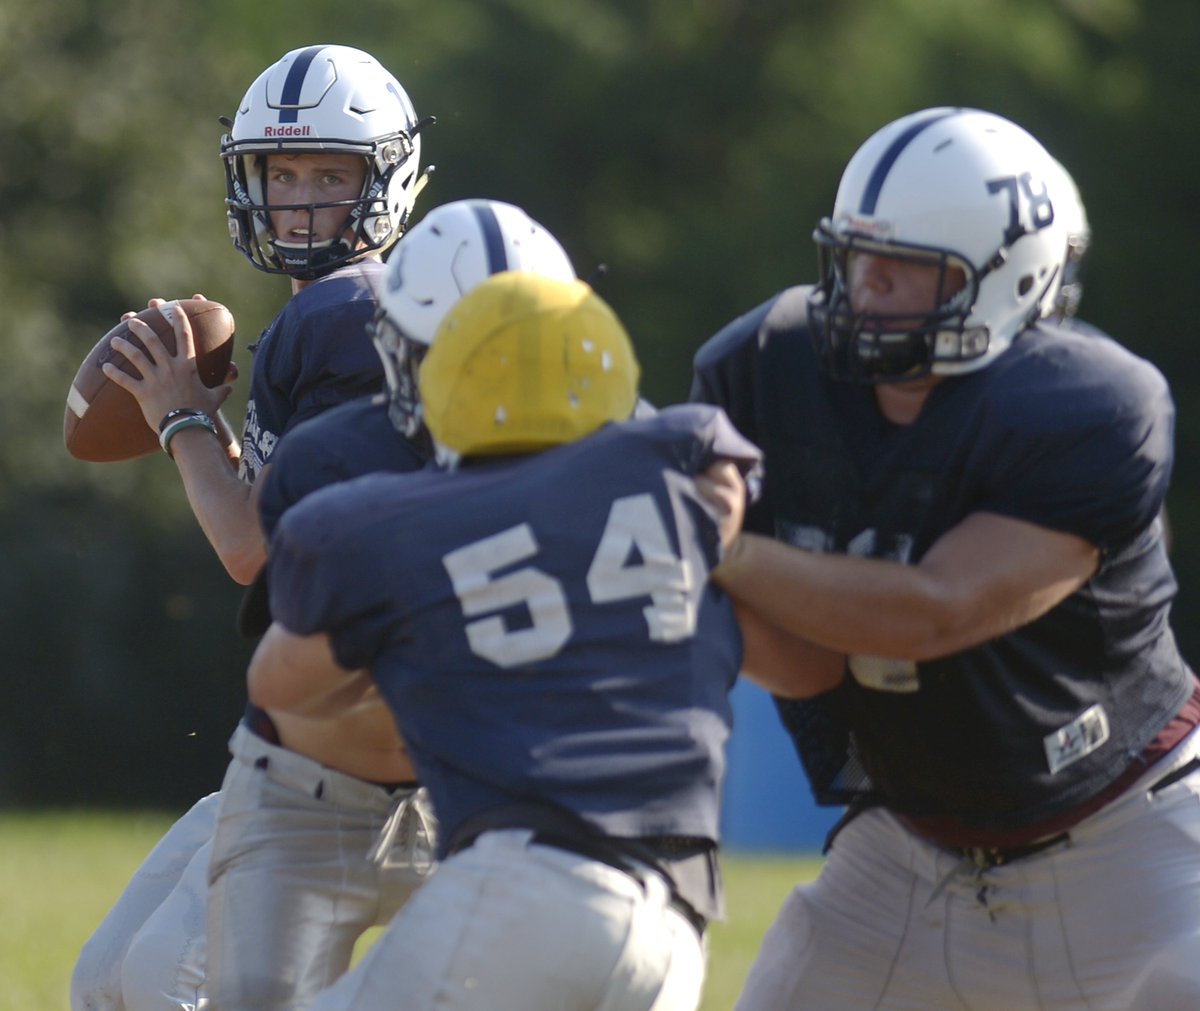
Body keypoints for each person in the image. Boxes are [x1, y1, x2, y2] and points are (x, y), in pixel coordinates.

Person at [691, 105, 1200, 1010]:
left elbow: (932, 612)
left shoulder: (1091, 406)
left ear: (1012, 280)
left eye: (910, 269)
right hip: (913, 844)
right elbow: (807, 666)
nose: (867, 288)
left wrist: (714, 545)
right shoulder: (765, 370)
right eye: (856, 257)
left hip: (1128, 827)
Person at [246, 271, 764, 1011]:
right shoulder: (683, 465)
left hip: (527, 881)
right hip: (678, 916)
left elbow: (274, 685)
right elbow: (713, 462)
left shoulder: (397, 516)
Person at [71, 43, 431, 1011]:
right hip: (318, 741)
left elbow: (250, 552)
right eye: (283, 173)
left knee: (165, 984)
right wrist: (206, 427)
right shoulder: (318, 326)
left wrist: (183, 418)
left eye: (331, 173)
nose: (304, 199)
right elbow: (278, 525)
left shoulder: (354, 316)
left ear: (388, 181)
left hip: (385, 766)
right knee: (107, 978)